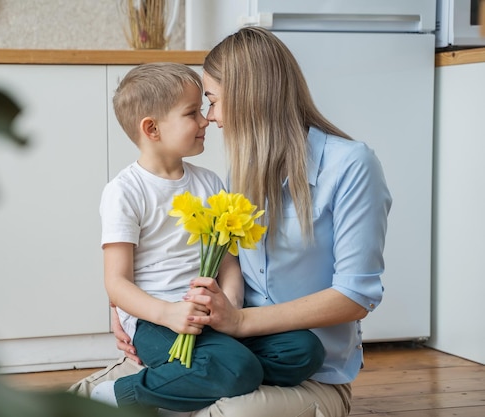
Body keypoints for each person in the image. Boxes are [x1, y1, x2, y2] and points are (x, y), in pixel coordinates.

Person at [73, 28, 391, 417]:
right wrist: (130, 306)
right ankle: (148, 389)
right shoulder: (241, 172)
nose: (210, 117)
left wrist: (237, 317)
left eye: (211, 101)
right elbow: (136, 265)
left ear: (249, 96)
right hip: (214, 335)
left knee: (287, 358)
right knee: (228, 371)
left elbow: (355, 295)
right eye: (199, 109)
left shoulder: (350, 166)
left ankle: (179, 386)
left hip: (270, 353)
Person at [90, 62, 325, 414]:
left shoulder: (210, 182)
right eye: (192, 113)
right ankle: (118, 395)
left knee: (305, 349)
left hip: (214, 317)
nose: (205, 121)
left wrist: (229, 307)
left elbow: (227, 261)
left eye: (203, 109)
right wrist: (168, 314)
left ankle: (199, 378)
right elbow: (116, 282)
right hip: (158, 322)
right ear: (152, 128)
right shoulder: (125, 192)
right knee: (237, 367)